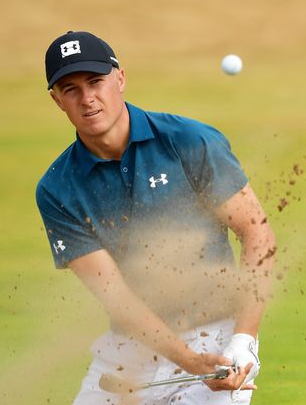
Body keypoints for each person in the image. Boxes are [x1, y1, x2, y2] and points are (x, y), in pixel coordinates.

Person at [35, 31, 276, 405]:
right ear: (57, 100)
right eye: (70, 89)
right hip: (131, 346)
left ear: (120, 78)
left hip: (216, 338)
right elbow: (116, 297)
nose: (87, 98)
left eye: (96, 82)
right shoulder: (57, 188)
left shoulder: (189, 142)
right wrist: (187, 360)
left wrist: (245, 341)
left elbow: (257, 234)